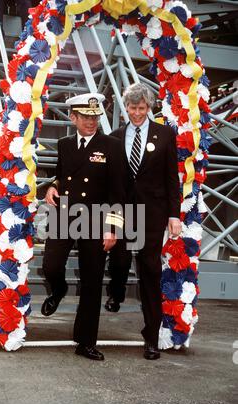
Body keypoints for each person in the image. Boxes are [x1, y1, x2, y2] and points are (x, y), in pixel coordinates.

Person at [41, 93, 125, 361]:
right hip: (65, 215)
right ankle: (59, 288)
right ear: (73, 117)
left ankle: (85, 341)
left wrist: (113, 228)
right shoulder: (64, 144)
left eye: (95, 117)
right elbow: (63, 174)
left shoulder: (111, 145)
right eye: (86, 117)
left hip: (97, 219)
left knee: (92, 282)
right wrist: (52, 187)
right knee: (50, 266)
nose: (91, 122)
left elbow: (119, 192)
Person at [105, 83, 182, 360]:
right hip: (122, 212)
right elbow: (111, 182)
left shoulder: (164, 135)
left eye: (142, 108)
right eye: (132, 108)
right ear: (125, 107)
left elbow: (172, 178)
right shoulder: (115, 137)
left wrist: (174, 214)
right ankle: (116, 292)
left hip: (153, 214)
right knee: (120, 258)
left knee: (150, 272)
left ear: (149, 107)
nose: (136, 113)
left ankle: (151, 336)